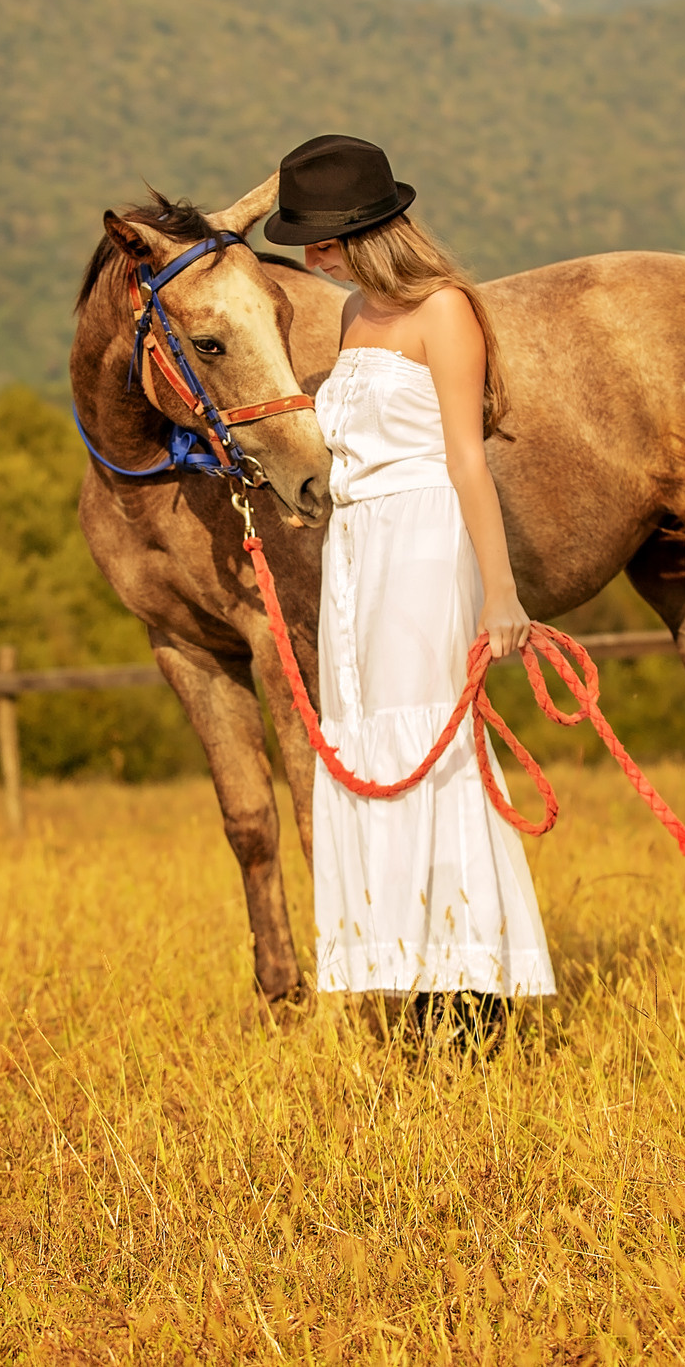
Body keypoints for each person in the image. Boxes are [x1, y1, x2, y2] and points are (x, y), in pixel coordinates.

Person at [261, 133, 556, 1044]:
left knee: (430, 742)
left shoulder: (445, 311)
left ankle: (471, 998)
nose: (311, 256)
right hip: (358, 545)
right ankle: (413, 976)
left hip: (427, 541)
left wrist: (501, 594)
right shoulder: (354, 313)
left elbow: (467, 459)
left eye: (321, 238)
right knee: (371, 751)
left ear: (363, 230)